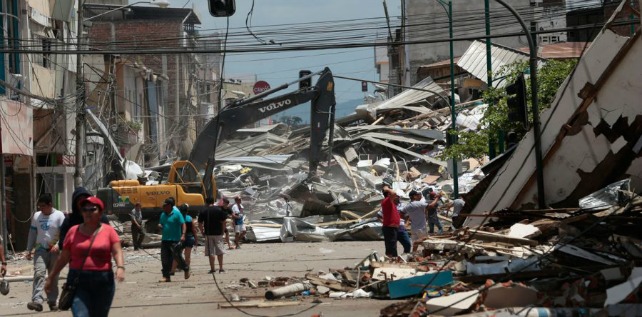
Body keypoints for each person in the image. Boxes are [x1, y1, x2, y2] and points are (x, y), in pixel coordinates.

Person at [44, 196, 125, 317]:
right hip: (78, 280)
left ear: (100, 212)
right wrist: (51, 277)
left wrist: (120, 267)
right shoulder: (73, 231)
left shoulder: (109, 231)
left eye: (92, 209)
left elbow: (117, 251)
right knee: (80, 314)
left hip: (102, 280)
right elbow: (64, 258)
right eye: (84, 210)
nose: (88, 212)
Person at [25, 193, 66, 312]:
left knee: (53, 277)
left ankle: (52, 301)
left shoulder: (59, 216)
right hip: (40, 250)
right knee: (39, 274)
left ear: (50, 205)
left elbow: (64, 234)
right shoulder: (37, 216)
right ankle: (37, 300)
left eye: (43, 206)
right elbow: (32, 233)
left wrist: (58, 245)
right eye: (39, 206)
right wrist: (28, 249)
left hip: (54, 252)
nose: (41, 208)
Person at [158, 197, 189, 282]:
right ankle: (166, 276)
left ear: (170, 206)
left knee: (177, 257)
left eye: (165, 205)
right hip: (165, 240)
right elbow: (161, 223)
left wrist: (183, 235)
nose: (164, 207)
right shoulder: (163, 214)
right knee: (164, 258)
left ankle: (186, 268)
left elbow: (183, 224)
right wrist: (160, 225)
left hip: (174, 240)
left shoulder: (177, 214)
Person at [198, 197, 229, 273]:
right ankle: (221, 268)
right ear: (213, 202)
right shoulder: (219, 210)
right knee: (220, 251)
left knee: (210, 252)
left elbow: (199, 223)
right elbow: (224, 221)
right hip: (218, 233)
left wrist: (202, 231)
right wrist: (222, 231)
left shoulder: (203, 211)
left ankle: (212, 269)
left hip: (208, 234)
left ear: (206, 202)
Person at [171, 204, 198, 275]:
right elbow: (194, 230)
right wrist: (196, 239)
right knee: (187, 255)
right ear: (187, 211)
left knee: (177, 255)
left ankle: (172, 270)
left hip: (180, 238)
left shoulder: (178, 218)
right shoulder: (189, 218)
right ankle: (187, 270)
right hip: (189, 237)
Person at [380, 184, 400, 260]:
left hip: (392, 227)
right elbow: (393, 193)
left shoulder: (390, 202)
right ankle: (393, 260)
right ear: (388, 194)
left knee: (391, 245)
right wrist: (387, 188)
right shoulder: (387, 201)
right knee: (392, 246)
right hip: (389, 227)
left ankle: (390, 259)